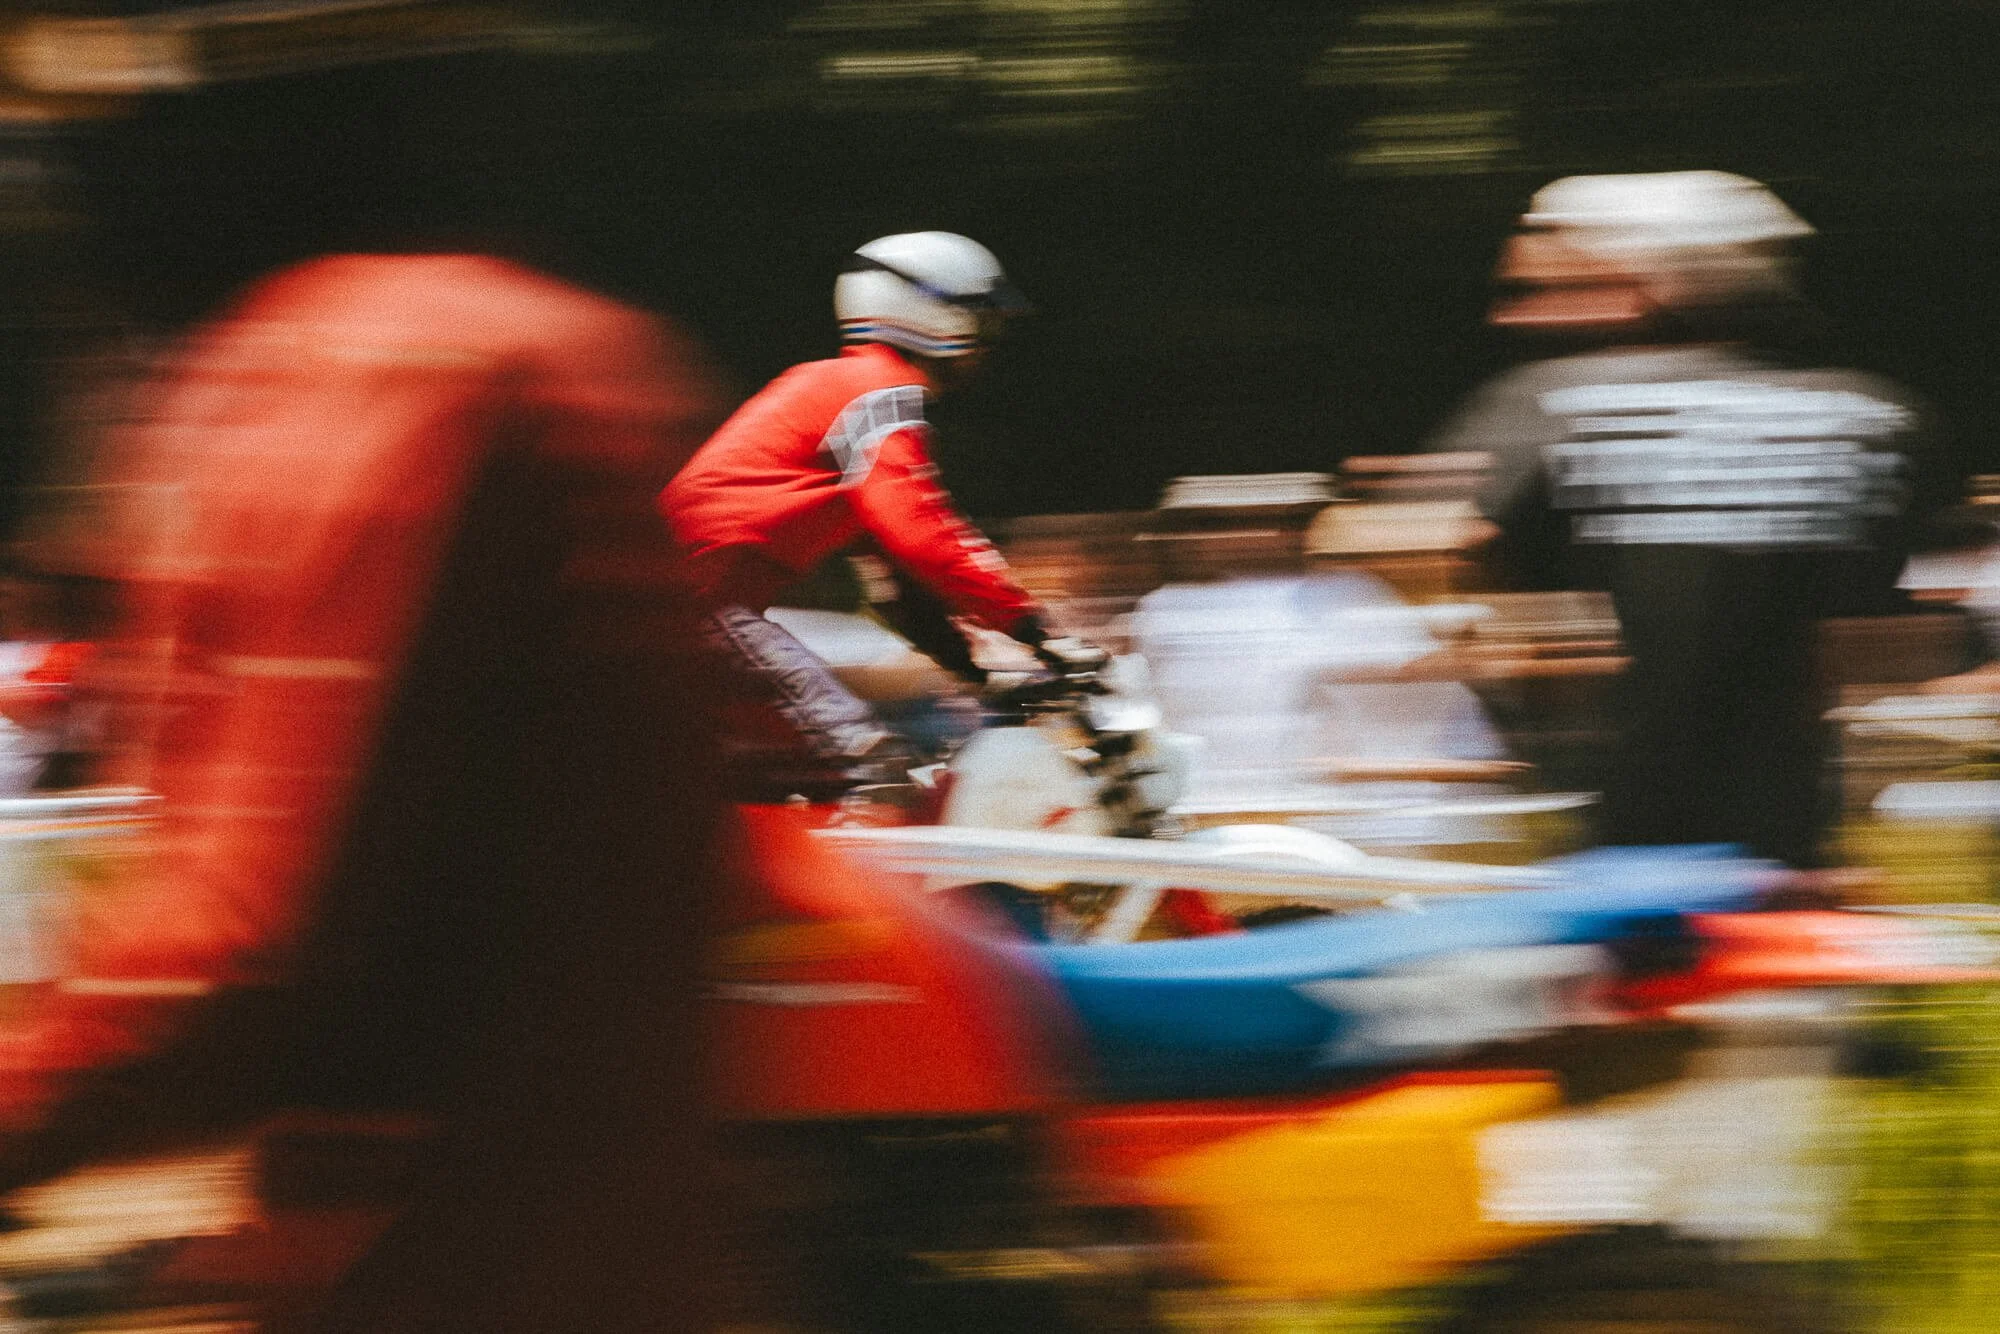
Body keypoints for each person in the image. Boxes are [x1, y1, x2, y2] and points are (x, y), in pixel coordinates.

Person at [1427, 171, 1952, 867]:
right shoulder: (1880, 418)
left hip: (1624, 830)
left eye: (1548, 290)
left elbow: (1418, 549)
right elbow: (1901, 638)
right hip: (1788, 832)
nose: (1513, 320)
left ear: (1652, 283)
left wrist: (1525, 684)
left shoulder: (1551, 406)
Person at [660, 231, 1105, 793]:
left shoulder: (838, 388)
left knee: (780, 783)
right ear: (929, 314)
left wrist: (982, 675)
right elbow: (920, 531)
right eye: (982, 323)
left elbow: (899, 586)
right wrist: (1040, 631)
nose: (987, 346)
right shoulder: (879, 391)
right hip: (693, 610)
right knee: (871, 769)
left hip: (680, 609)